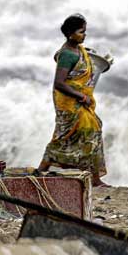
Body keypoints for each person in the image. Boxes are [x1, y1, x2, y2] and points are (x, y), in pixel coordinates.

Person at [37, 14, 109, 187]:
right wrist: (81, 96)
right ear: (71, 34)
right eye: (81, 32)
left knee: (93, 128)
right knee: (67, 137)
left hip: (78, 101)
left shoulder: (79, 50)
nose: (84, 35)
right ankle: (42, 170)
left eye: (85, 31)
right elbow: (59, 83)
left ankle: (94, 177)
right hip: (68, 103)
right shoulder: (68, 55)